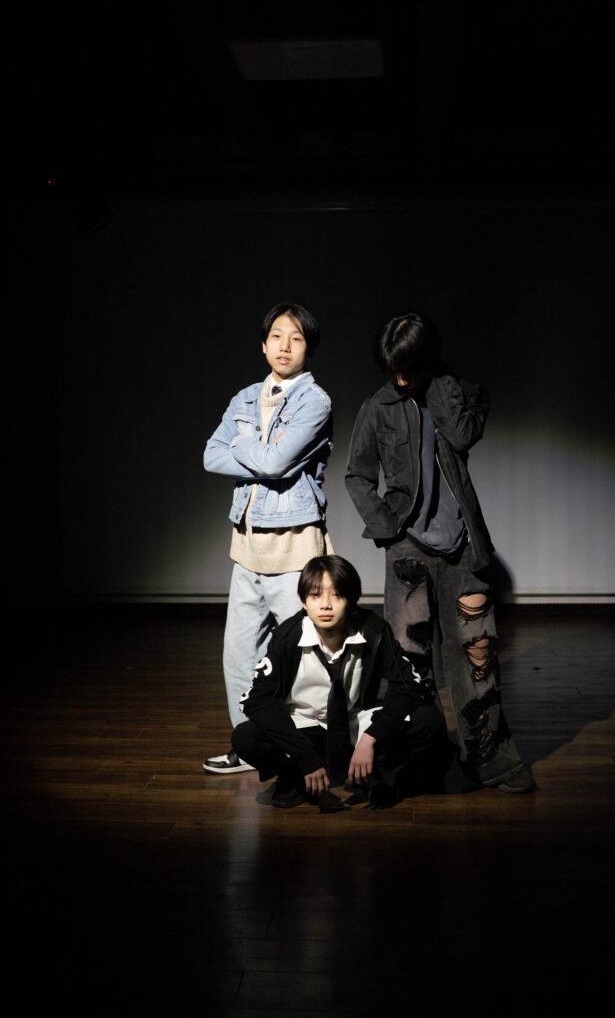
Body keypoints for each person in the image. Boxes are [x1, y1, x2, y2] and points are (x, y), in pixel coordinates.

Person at [345, 311, 535, 792]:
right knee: (410, 660)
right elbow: (357, 476)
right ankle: (422, 758)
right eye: (393, 369)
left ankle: (487, 757)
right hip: (407, 549)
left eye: (409, 368)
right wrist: (388, 530)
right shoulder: (377, 407)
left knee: (477, 653)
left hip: (464, 547)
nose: (400, 379)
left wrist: (441, 385)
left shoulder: (460, 394)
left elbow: (464, 435)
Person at [203, 303, 333, 774]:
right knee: (240, 658)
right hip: (247, 547)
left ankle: (310, 748)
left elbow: (276, 464)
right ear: (263, 344)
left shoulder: (314, 402)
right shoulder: (244, 398)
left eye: (296, 338)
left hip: (294, 548)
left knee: (306, 660)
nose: (284, 346)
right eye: (276, 336)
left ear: (308, 348)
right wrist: (259, 452)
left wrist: (242, 445)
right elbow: (210, 456)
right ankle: (250, 747)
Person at [232, 555, 450, 810]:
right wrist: (303, 754)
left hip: (354, 723)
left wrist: (371, 737)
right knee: (246, 737)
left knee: (429, 720)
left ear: (352, 600)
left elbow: (409, 685)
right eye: (315, 596)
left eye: (336, 595)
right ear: (303, 601)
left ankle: (381, 776)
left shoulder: (374, 629)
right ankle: (296, 778)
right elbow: (258, 701)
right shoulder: (287, 636)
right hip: (304, 725)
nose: (325, 605)